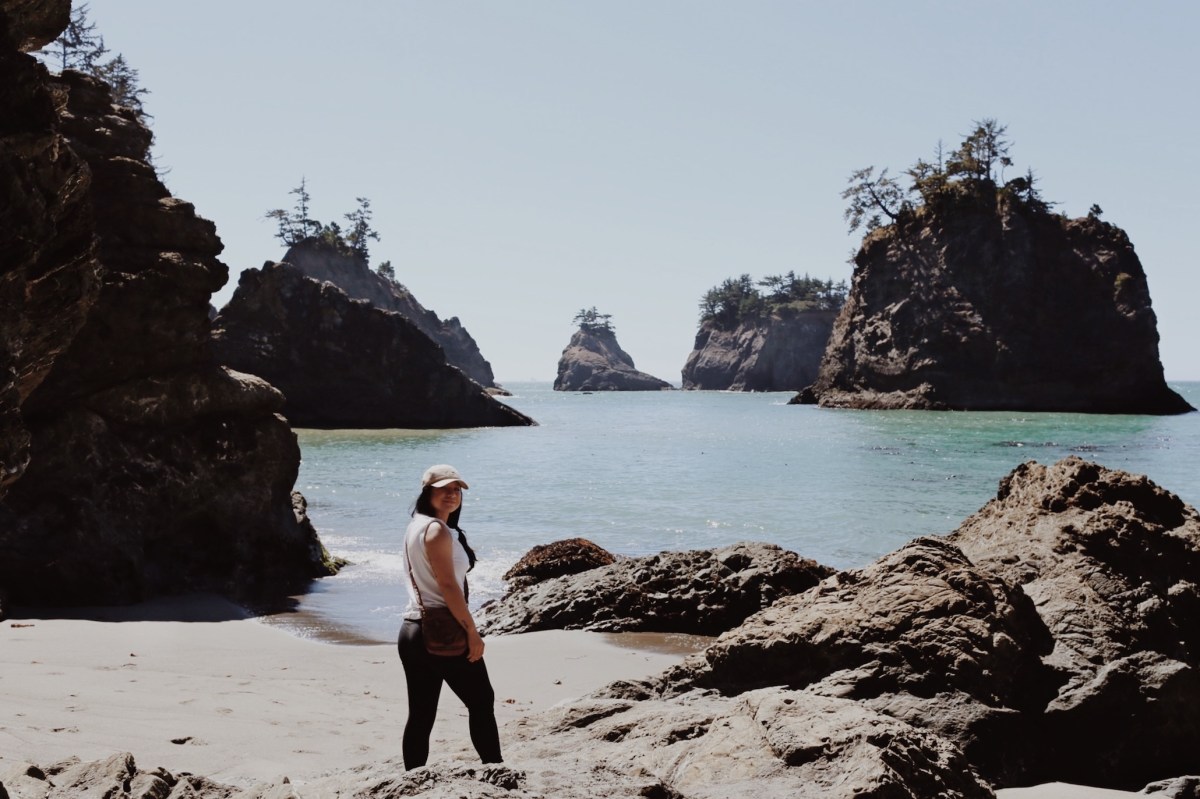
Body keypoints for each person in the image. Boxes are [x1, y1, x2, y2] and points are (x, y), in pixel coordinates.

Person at [397, 463, 502, 769]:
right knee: (482, 701)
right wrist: (471, 631)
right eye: (443, 489)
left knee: (421, 713)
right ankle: (495, 770)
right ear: (427, 492)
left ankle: (412, 780)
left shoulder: (416, 526)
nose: (451, 495)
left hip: (412, 630)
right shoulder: (436, 530)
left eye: (456, 489)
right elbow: (447, 587)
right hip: (443, 631)